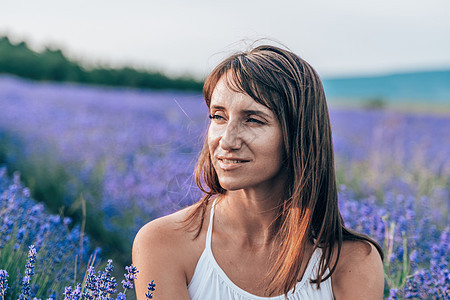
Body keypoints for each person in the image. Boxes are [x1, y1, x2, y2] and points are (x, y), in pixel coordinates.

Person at [132, 44, 384, 299]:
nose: (227, 140)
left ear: (298, 135)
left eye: (253, 119)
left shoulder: (352, 262)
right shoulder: (164, 243)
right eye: (218, 117)